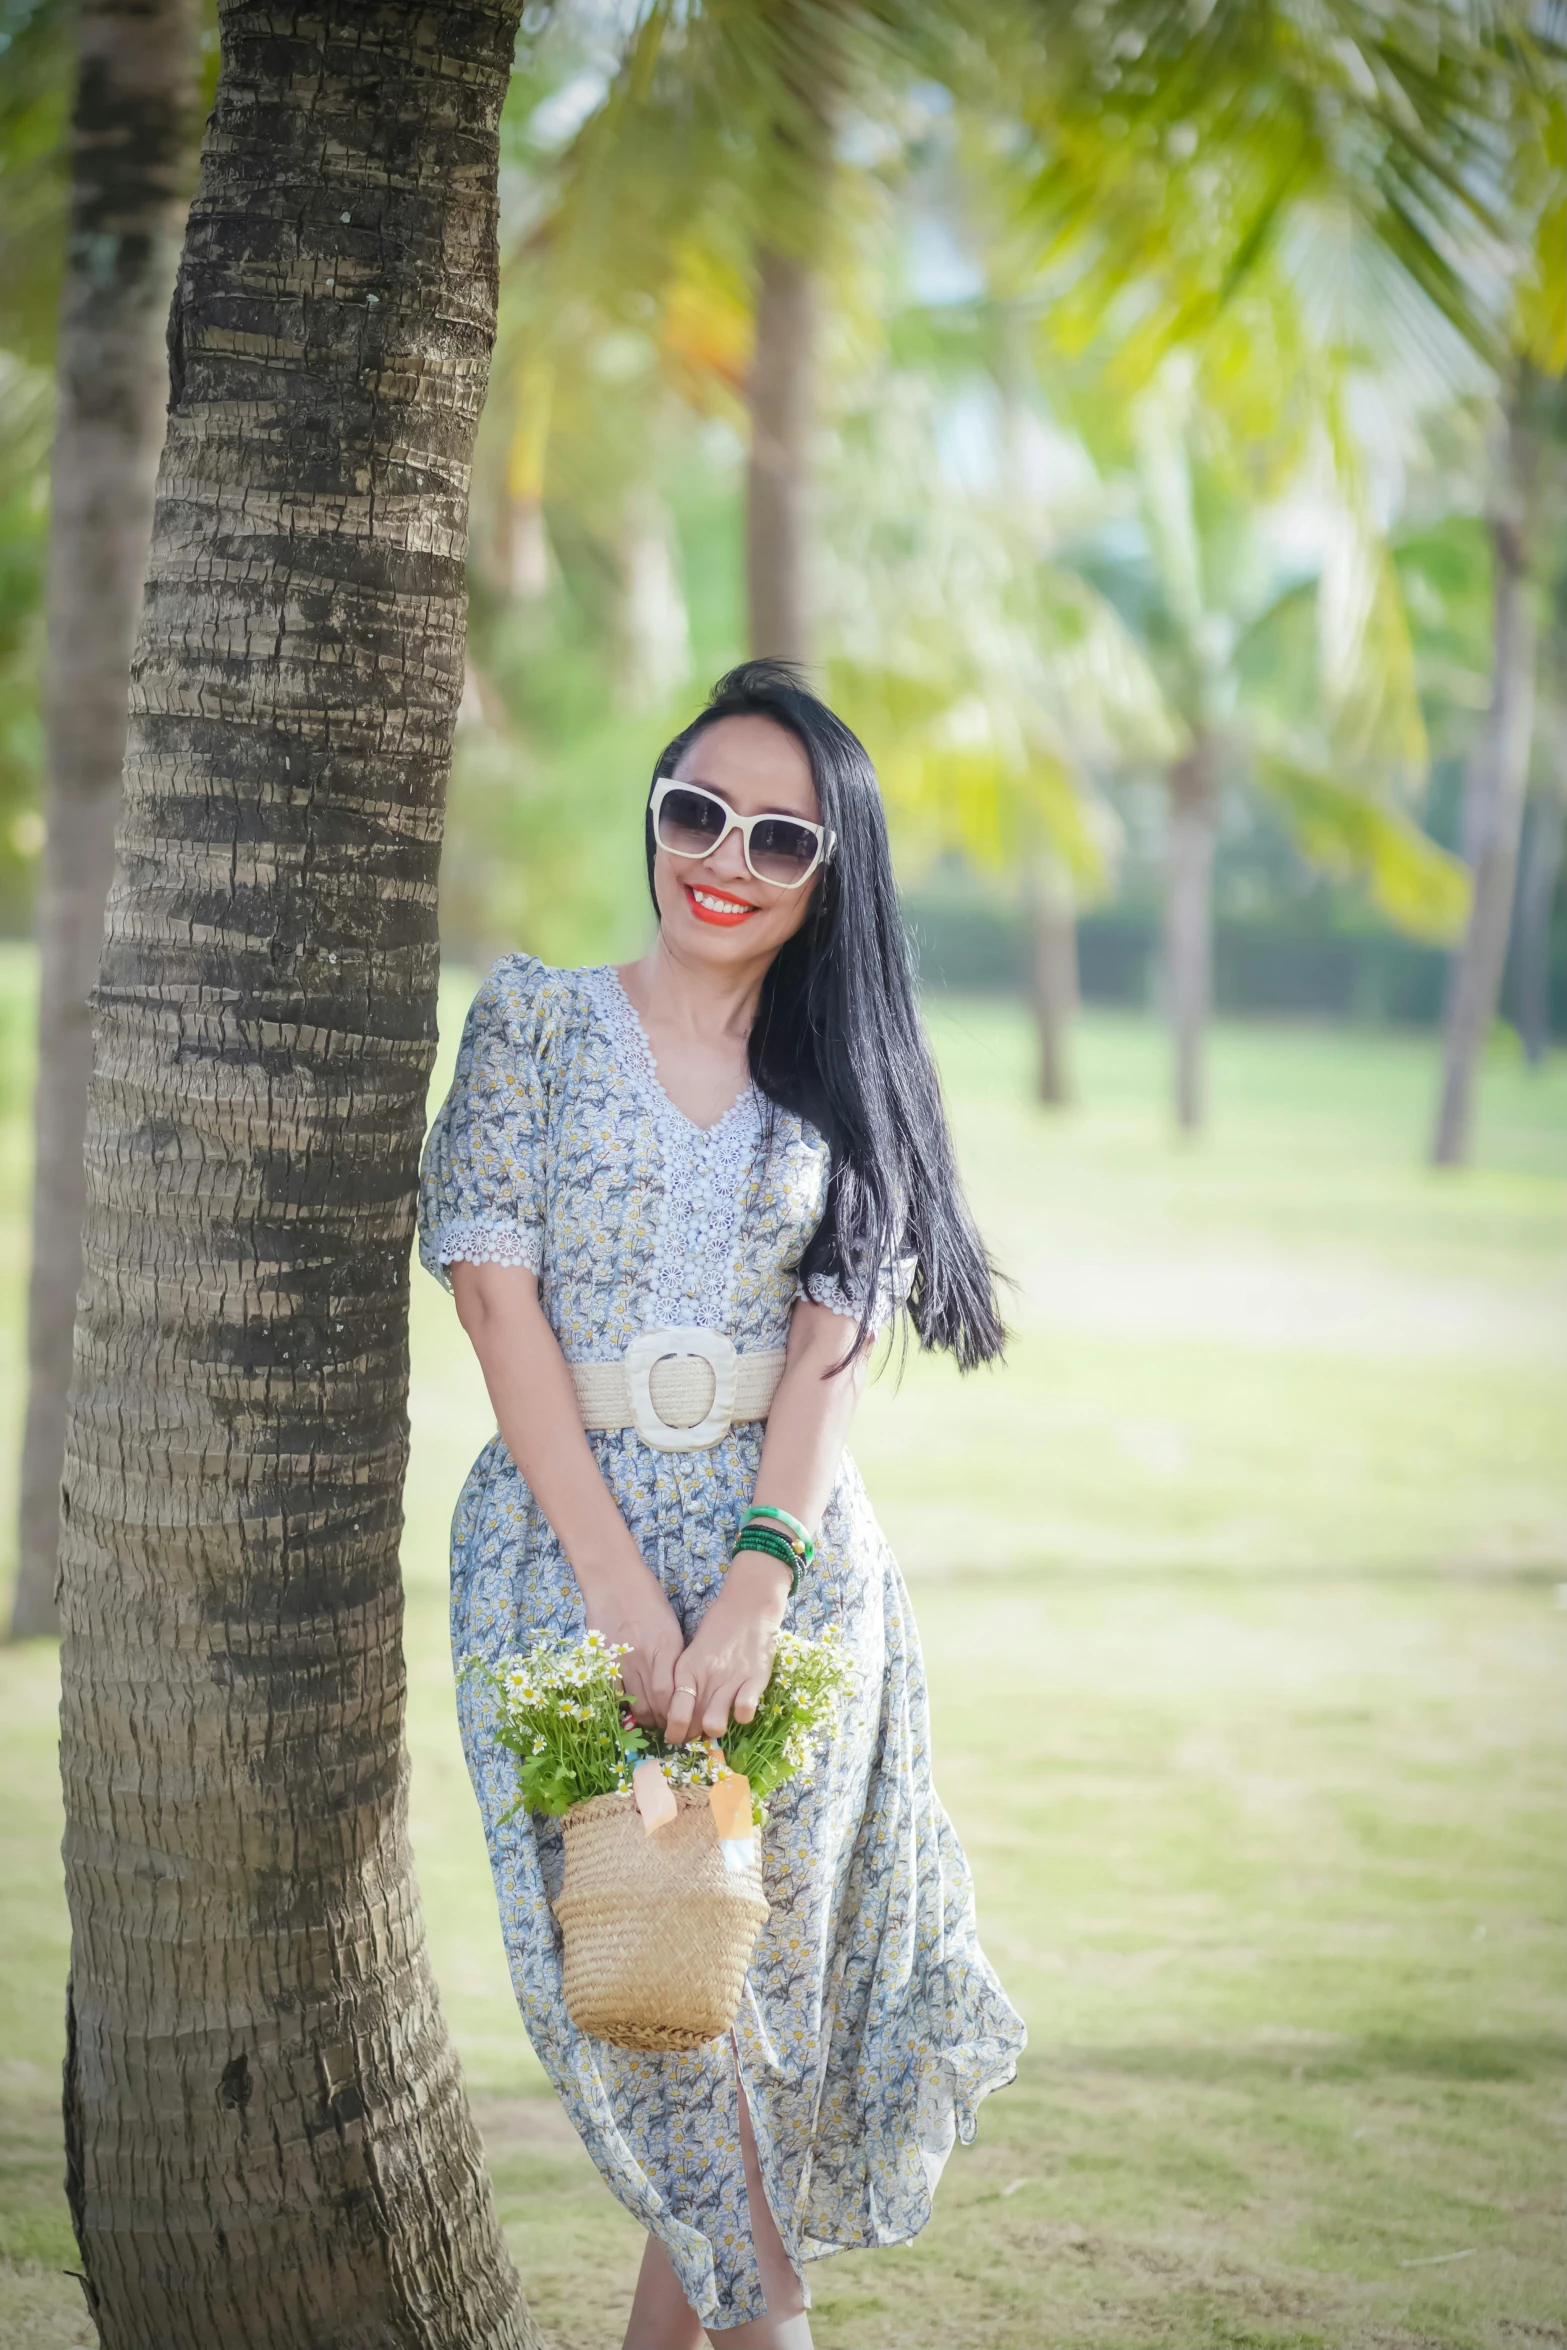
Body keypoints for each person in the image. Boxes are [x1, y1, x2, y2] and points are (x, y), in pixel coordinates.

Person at [418, 660, 1025, 2350]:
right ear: (654, 811)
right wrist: (623, 1595)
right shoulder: (534, 1021)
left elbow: (827, 1345)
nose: (726, 859)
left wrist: (754, 1586)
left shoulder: (843, 1075)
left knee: (752, 2012)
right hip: (560, 1565)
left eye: (780, 837)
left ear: (829, 877)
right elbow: (492, 1299)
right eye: (698, 812)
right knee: (647, 1997)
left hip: (796, 1588)